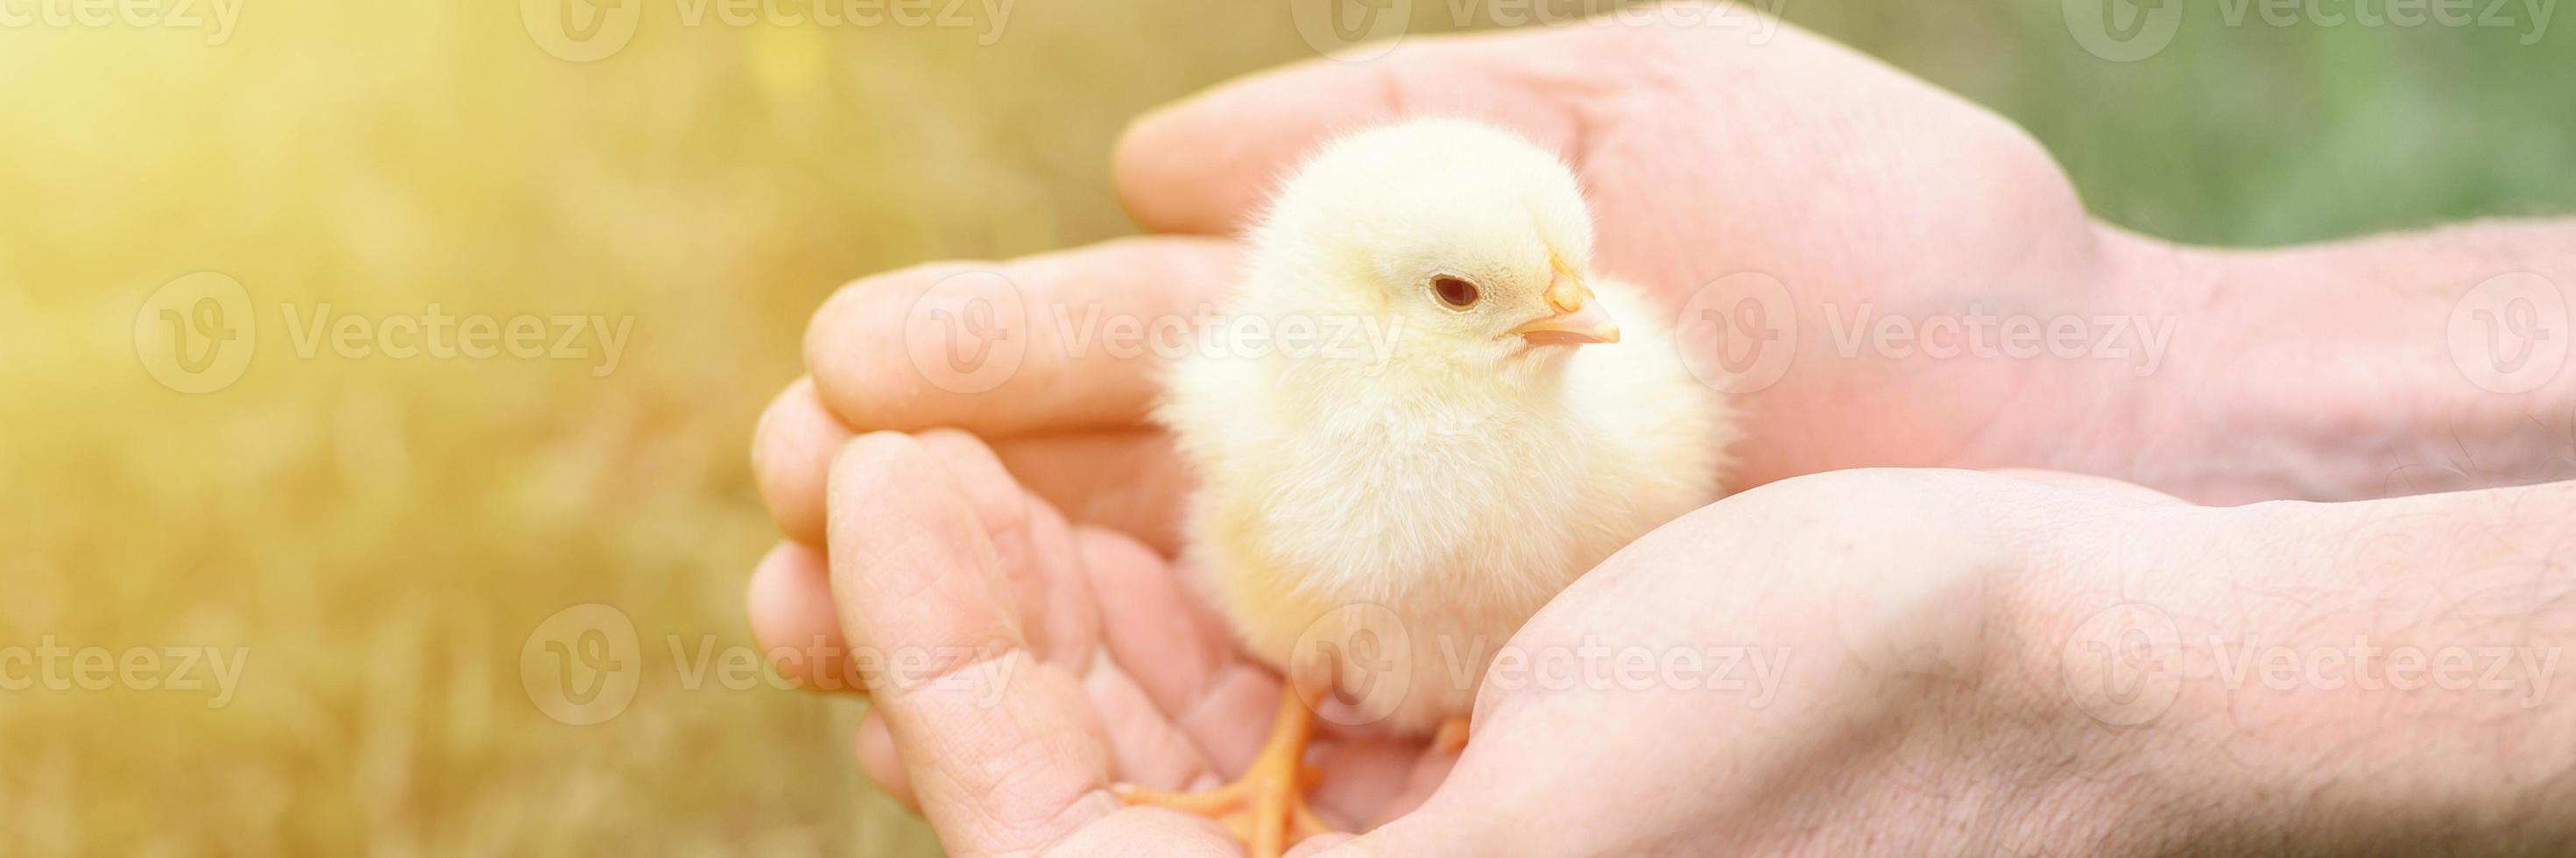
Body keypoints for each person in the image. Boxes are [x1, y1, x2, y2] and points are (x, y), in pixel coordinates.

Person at [745, 10, 2576, 854]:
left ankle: (1424, 717)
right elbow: (1281, 543)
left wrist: (2028, 654)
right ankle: (1284, 750)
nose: (1573, 312)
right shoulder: (1275, 385)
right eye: (1481, 298)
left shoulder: (1590, 388)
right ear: (1375, 295)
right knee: (1312, 610)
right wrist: (2145, 380)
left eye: (1564, 274)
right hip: (1328, 595)